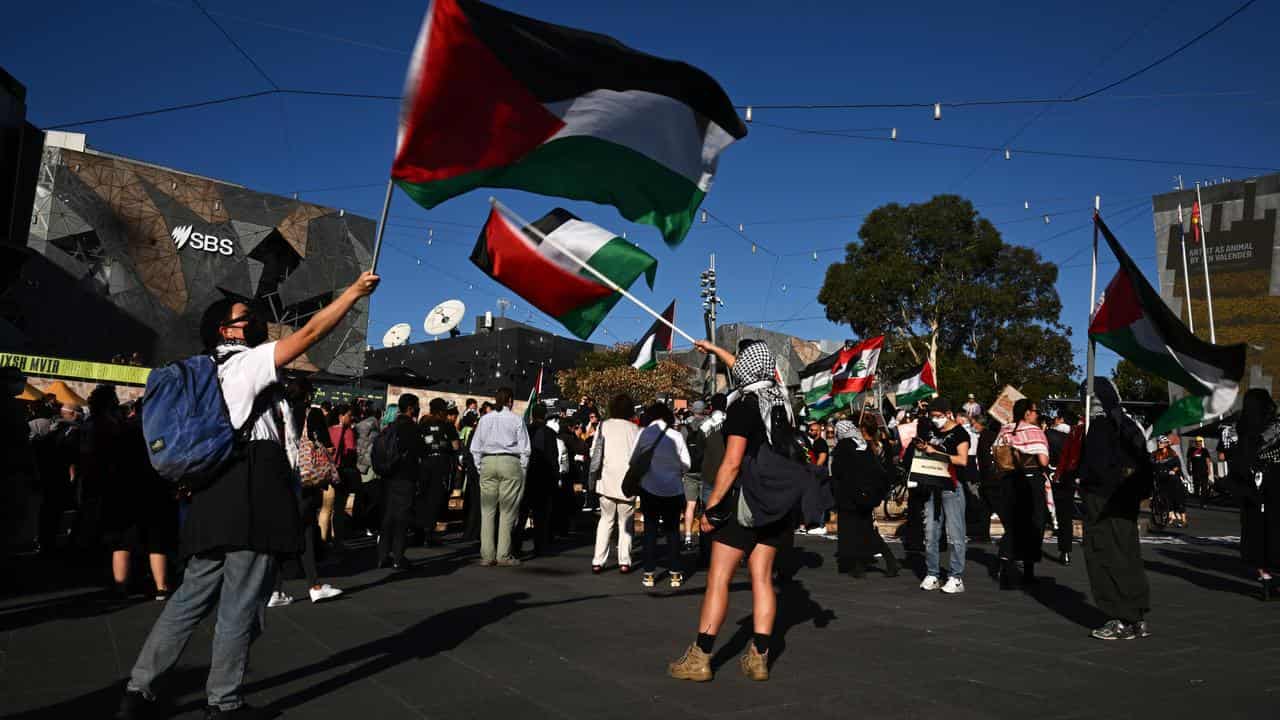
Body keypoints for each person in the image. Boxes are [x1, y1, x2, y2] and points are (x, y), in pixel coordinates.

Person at [118, 270, 379, 719]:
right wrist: (353, 293)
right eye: (247, 318)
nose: (256, 322)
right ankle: (224, 702)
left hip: (216, 491)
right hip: (252, 488)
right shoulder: (243, 364)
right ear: (227, 330)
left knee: (189, 600)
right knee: (241, 603)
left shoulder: (210, 371)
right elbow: (312, 332)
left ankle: (138, 691)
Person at [668, 339, 803, 683]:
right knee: (762, 578)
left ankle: (701, 656)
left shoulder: (743, 406)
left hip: (744, 502)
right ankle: (759, 658)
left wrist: (710, 509)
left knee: (719, 578)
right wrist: (715, 349)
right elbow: (749, 368)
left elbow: (731, 463)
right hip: (775, 506)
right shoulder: (781, 402)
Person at [1079, 377, 1152, 641]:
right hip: (1126, 499)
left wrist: (1082, 477)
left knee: (1104, 555)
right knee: (1128, 553)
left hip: (1102, 500)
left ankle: (1118, 618)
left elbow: (1097, 468)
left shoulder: (1100, 425)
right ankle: (1136, 616)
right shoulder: (1129, 422)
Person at [268, 379, 342, 607]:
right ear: (308, 395)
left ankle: (282, 589)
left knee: (295, 530)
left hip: (279, 478)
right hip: (305, 479)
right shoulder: (313, 414)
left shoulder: (278, 412)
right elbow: (326, 445)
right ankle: (308, 586)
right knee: (304, 530)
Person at [107, 396, 177, 601]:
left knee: (123, 542)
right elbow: (163, 458)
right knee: (157, 541)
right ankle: (161, 587)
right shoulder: (157, 433)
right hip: (154, 489)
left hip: (123, 491)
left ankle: (121, 586)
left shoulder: (120, 432)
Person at [1227, 388, 1280, 599]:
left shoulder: (1242, 427)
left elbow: (1237, 456)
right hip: (1276, 478)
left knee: (1255, 529)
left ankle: (1264, 579)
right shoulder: (1275, 425)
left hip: (1250, 483)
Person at [994, 398, 1051, 588]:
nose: (1037, 414)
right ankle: (1028, 571)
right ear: (1027, 413)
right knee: (1034, 523)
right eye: (1035, 411)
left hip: (1008, 480)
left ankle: (1006, 566)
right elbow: (1043, 460)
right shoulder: (1035, 431)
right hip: (1030, 480)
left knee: (1012, 524)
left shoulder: (1004, 430)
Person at [916, 398, 970, 594]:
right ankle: (932, 573)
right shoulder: (931, 430)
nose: (935, 420)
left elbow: (962, 460)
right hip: (932, 485)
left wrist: (936, 453)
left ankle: (956, 576)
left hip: (952, 486)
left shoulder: (960, 433)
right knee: (930, 532)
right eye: (933, 416)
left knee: (956, 534)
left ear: (948, 414)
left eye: (938, 416)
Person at [470, 387, 530, 567]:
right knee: (507, 511)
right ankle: (504, 554)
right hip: (510, 462)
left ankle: (487, 555)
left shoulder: (485, 419)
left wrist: (480, 466)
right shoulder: (516, 419)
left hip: (488, 462)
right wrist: (523, 469)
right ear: (510, 401)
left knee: (487, 511)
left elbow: (475, 447)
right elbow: (525, 448)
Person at [635, 402, 691, 589]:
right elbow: (687, 463)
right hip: (673, 489)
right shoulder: (676, 435)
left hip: (649, 487)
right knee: (673, 531)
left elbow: (633, 460)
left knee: (650, 531)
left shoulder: (643, 434)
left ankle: (649, 573)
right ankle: (675, 572)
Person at [832, 419, 898, 578]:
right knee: (866, 530)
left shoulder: (843, 446)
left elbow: (838, 470)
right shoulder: (863, 445)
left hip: (849, 496)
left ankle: (858, 566)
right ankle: (888, 560)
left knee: (851, 531)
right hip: (866, 495)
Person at [589, 394, 641, 573]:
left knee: (605, 521)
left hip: (606, 480)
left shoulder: (603, 426)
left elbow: (594, 451)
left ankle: (598, 560)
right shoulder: (634, 429)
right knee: (625, 523)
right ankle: (624, 561)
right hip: (627, 482)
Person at [376, 394, 427, 570]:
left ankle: (383, 554)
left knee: (388, 517)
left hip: (388, 476)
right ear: (412, 408)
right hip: (405, 477)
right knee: (402, 518)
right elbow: (422, 451)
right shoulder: (412, 428)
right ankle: (398, 556)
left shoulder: (390, 427)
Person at [517, 403, 560, 558]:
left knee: (521, 514)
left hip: (526, 475)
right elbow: (553, 458)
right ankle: (540, 546)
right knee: (541, 516)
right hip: (543, 477)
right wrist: (555, 478)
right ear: (545, 415)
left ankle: (516, 545)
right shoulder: (549, 433)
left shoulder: (525, 430)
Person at [417, 398, 460, 547]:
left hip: (424, 463)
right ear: (442, 411)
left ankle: (420, 531)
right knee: (435, 498)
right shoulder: (447, 426)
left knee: (423, 496)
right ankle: (429, 532)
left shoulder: (422, 424)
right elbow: (455, 447)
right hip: (441, 465)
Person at [1052, 411, 1084, 565]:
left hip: (1049, 477)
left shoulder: (1049, 434)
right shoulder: (1077, 437)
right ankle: (1065, 552)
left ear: (1061, 419)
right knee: (1065, 517)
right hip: (1067, 479)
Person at [680, 400, 709, 551]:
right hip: (705, 469)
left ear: (692, 410)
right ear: (704, 410)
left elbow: (681, 448)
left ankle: (688, 537)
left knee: (690, 505)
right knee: (705, 505)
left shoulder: (685, 428)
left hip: (690, 471)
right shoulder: (708, 425)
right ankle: (706, 537)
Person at [1153, 435, 1188, 528]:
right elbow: (1151, 465)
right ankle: (1170, 516)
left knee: (1177, 497)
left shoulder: (1172, 453)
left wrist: (1174, 471)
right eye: (1158, 442)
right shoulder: (1154, 454)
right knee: (1166, 497)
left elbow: (1177, 465)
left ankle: (1184, 519)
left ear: (1165, 444)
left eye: (1160, 442)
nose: (1158, 444)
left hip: (1172, 478)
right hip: (1161, 479)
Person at [1187, 436, 1214, 508]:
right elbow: (1189, 460)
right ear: (1195, 442)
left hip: (1204, 471)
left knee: (1204, 487)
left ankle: (1203, 503)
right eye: (1197, 441)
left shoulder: (1205, 450)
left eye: (1200, 441)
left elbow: (1207, 460)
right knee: (1196, 487)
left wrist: (1209, 469)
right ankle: (1198, 500)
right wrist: (1188, 469)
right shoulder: (1191, 450)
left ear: (1202, 442)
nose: (1199, 443)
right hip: (1195, 471)